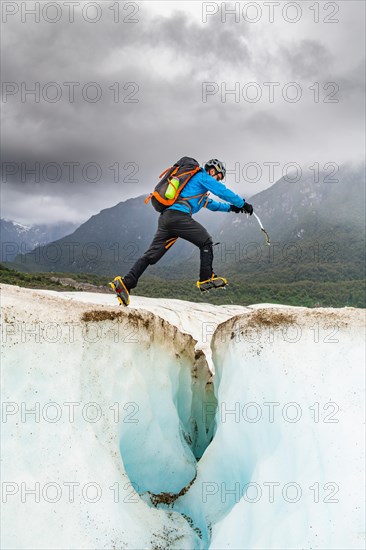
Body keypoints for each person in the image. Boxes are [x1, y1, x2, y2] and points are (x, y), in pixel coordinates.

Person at [110, 158, 253, 306]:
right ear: (212, 171)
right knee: (205, 241)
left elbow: (214, 205)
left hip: (167, 219)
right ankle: (206, 278)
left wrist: (233, 208)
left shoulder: (199, 192)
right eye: (218, 177)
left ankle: (126, 283)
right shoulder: (203, 176)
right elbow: (222, 191)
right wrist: (243, 204)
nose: (218, 180)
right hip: (178, 217)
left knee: (151, 256)